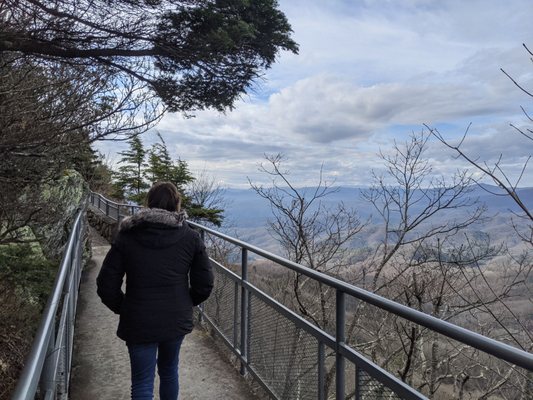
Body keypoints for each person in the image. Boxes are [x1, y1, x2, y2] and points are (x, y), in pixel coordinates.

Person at [96, 182, 214, 400]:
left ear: (148, 204)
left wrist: (125, 307)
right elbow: (204, 284)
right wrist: (185, 303)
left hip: (139, 319)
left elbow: (106, 285)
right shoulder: (190, 237)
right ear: (176, 204)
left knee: (142, 381)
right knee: (169, 372)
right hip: (175, 318)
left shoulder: (127, 235)